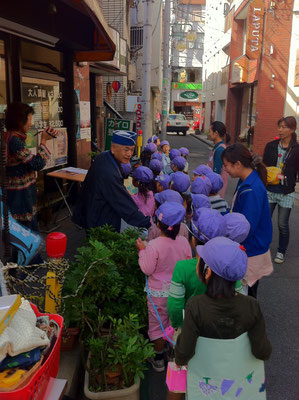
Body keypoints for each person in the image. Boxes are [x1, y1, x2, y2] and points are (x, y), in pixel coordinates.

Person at [174, 237, 272, 380]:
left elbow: (184, 353)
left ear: (207, 272)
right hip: (238, 380)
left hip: (205, 378)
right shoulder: (252, 306)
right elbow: (262, 351)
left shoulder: (195, 306)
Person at [136, 202, 192, 372]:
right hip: (178, 291)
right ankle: (172, 352)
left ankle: (158, 358)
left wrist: (141, 250)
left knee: (156, 325)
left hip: (157, 294)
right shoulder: (184, 242)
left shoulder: (153, 245)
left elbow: (147, 269)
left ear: (158, 225)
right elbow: (188, 262)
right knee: (174, 321)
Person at [167, 211, 244, 330]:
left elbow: (174, 306)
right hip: (222, 328)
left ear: (193, 240)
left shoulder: (182, 267)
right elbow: (240, 298)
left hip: (191, 327)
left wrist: (179, 324)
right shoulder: (228, 266)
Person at [73, 130, 151, 232]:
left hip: (93, 213)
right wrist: (147, 223)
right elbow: (124, 204)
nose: (129, 154)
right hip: (100, 221)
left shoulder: (104, 156)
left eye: (132, 150)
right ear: (113, 148)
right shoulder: (109, 173)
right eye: (126, 150)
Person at [222, 143, 273, 298]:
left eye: (226, 166)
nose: (225, 169)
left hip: (251, 249)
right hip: (252, 247)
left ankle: (250, 321)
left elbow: (247, 227)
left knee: (246, 296)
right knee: (248, 293)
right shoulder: (249, 180)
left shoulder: (251, 189)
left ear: (237, 164)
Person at [5, 102, 56, 230]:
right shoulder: (14, 141)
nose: (31, 123)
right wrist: (44, 141)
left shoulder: (8, 137)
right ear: (20, 121)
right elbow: (37, 164)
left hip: (17, 195)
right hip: (20, 198)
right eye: (29, 119)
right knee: (26, 234)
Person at [263, 116, 299, 264]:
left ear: (292, 129)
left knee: (282, 224)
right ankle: (263, 247)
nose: (281, 129)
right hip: (270, 189)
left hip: (286, 191)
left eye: (284, 127)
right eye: (279, 126)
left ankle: (281, 251)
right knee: (265, 220)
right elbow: (263, 165)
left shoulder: (297, 149)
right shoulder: (271, 146)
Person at [207, 121, 229, 197]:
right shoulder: (217, 147)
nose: (208, 134)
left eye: (210, 131)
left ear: (216, 133)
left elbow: (216, 173)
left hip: (216, 190)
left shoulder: (220, 150)